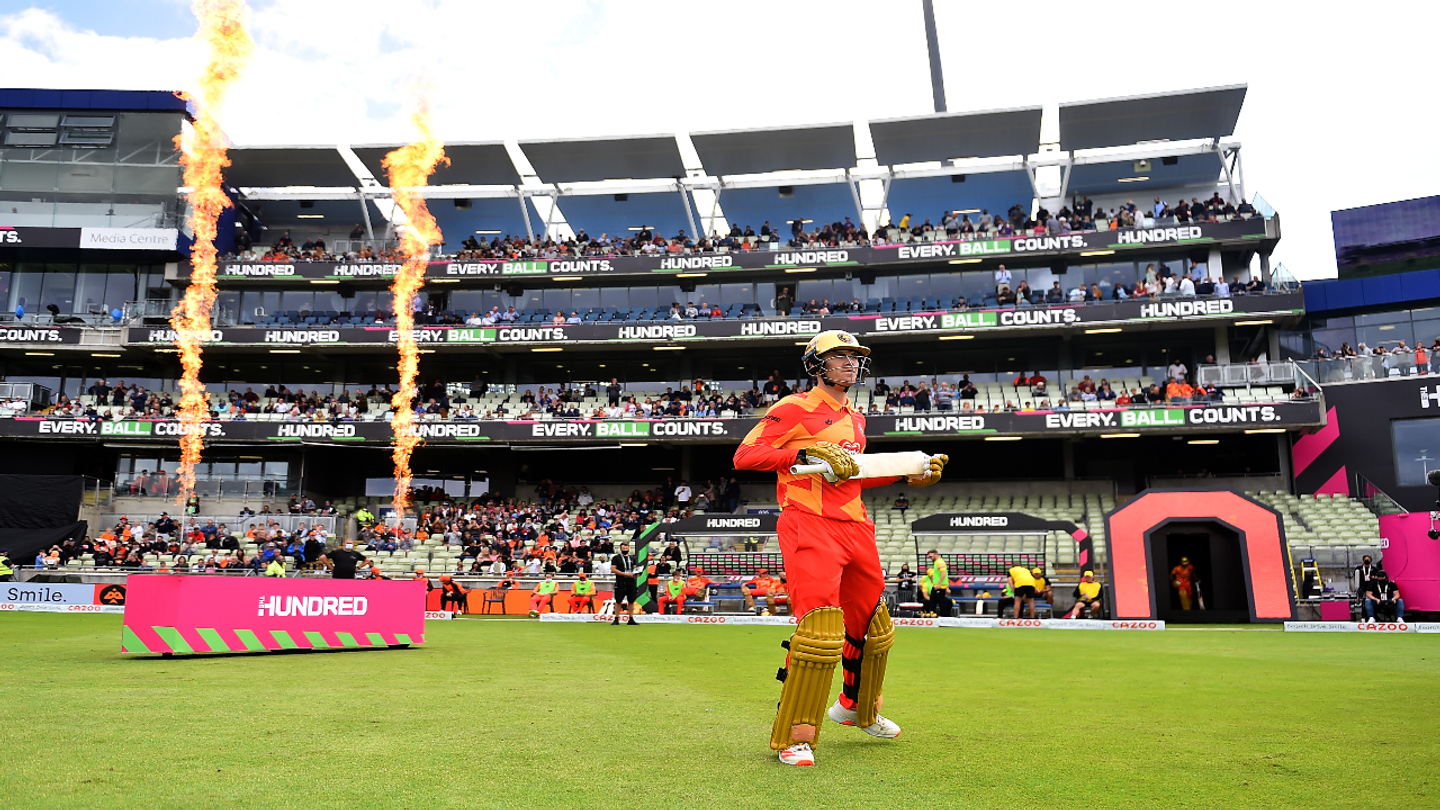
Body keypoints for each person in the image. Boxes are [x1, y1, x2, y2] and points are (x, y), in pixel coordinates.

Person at [733, 329, 949, 767]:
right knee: (818, 630)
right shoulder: (794, 407)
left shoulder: (856, 417)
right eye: (839, 356)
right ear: (816, 364)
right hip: (808, 524)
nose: (850, 363)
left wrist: (910, 475)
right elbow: (745, 456)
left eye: (854, 357)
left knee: (873, 624)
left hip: (856, 525)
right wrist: (805, 453)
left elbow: (851, 475)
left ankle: (855, 709)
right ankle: (795, 735)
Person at [610, 541, 640, 625]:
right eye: (623, 548)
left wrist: (636, 572)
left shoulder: (632, 558)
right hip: (621, 581)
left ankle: (631, 618)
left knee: (631, 601)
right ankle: (616, 618)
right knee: (618, 600)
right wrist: (625, 574)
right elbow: (613, 569)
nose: (625, 549)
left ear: (629, 548)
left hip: (631, 581)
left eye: (626, 548)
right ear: (620, 549)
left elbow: (634, 567)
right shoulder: (616, 558)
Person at [920, 549, 949, 618]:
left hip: (940, 586)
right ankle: (932, 614)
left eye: (931, 556)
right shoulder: (936, 562)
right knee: (932, 602)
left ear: (935, 554)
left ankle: (943, 617)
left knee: (941, 603)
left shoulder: (940, 562)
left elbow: (943, 573)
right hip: (936, 585)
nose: (930, 558)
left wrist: (939, 584)